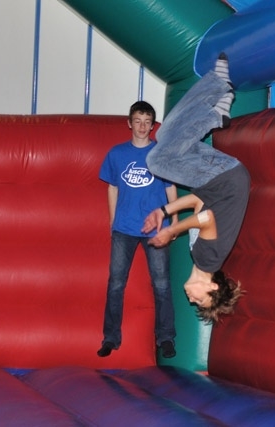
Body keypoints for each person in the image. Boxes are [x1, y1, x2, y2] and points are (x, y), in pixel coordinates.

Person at [142, 53, 249, 323]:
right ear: (212, 286)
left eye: (195, 302)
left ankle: (218, 111)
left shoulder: (198, 255)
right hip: (224, 178)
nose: (192, 299)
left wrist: (163, 211)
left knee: (165, 136)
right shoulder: (208, 259)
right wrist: (171, 230)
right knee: (156, 161)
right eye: (201, 299)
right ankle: (216, 106)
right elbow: (206, 218)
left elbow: (198, 202)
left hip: (217, 183)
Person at [97, 101, 178, 358]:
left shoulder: (161, 154)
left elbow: (171, 189)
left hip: (156, 228)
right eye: (138, 121)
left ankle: (166, 338)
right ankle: (110, 337)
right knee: (116, 284)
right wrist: (113, 222)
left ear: (153, 126)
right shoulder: (116, 154)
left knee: (162, 284)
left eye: (147, 122)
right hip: (124, 228)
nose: (142, 126)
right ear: (129, 123)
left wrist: (175, 223)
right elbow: (112, 187)